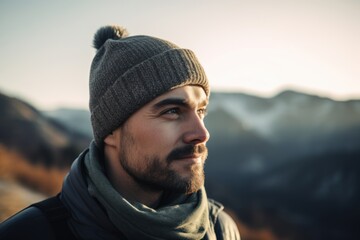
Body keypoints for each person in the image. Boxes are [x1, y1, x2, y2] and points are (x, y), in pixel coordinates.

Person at [0, 25, 240, 240]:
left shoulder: (221, 229)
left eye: (201, 111)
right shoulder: (29, 233)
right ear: (111, 131)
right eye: (172, 111)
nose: (201, 133)